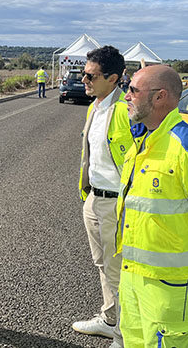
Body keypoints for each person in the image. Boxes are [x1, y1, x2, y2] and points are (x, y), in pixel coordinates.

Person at [115, 64, 188, 348]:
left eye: (133, 90)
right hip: (134, 275)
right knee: (134, 340)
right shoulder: (143, 141)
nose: (126, 96)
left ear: (160, 97)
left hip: (172, 284)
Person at [72, 46, 133, 348]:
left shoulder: (126, 111)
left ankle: (124, 337)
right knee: (102, 265)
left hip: (117, 204)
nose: (83, 79)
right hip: (94, 199)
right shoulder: (94, 106)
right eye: (84, 73)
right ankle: (110, 319)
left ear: (113, 78)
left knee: (118, 269)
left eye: (90, 75)